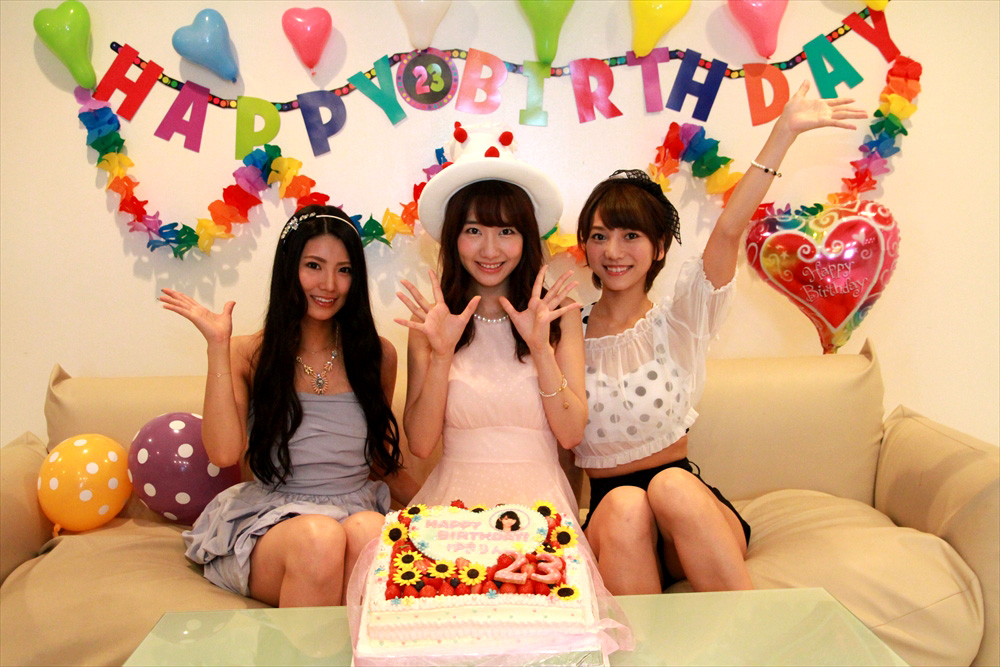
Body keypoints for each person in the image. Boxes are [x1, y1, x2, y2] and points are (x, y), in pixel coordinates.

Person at [575, 82, 866, 595]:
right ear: (585, 246)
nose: (613, 251)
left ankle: (757, 629)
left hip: (686, 513)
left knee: (669, 486)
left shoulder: (680, 320)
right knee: (624, 503)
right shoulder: (564, 332)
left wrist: (783, 133)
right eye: (600, 236)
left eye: (630, 235)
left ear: (659, 248)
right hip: (611, 518)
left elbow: (729, 231)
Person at [160, 205, 413, 607]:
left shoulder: (377, 356)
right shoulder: (248, 353)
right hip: (276, 524)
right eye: (314, 266)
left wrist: (451, 513)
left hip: (353, 510)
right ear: (288, 268)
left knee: (371, 531)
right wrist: (217, 346)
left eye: (344, 270)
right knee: (320, 537)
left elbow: (380, 461)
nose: (329, 284)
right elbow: (224, 452)